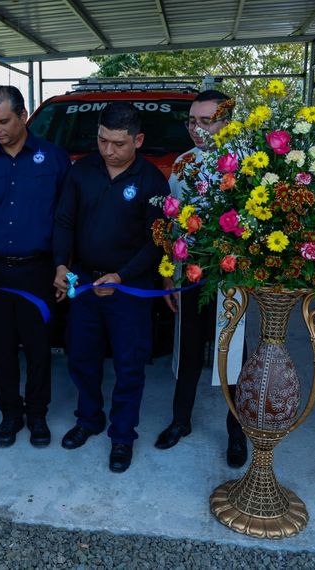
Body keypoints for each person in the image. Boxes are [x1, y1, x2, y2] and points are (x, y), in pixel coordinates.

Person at [53, 101, 167, 473]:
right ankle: (89, 418)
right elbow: (65, 221)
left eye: (118, 144)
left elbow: (157, 242)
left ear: (138, 139)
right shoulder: (81, 171)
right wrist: (61, 264)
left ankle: (122, 435)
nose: (108, 150)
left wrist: (121, 276)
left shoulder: (152, 181)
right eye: (102, 140)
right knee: (81, 356)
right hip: (85, 281)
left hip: (129, 288)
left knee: (129, 364)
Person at [0, 85, 70, 448]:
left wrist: (61, 267)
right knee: (0, 349)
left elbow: (65, 220)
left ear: (23, 116)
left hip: (38, 270)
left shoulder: (54, 158)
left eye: (4, 120)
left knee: (39, 348)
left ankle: (37, 414)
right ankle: (10, 414)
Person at [156, 90, 248, 468]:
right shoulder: (182, 164)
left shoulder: (246, 163)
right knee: (189, 348)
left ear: (227, 121)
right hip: (191, 271)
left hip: (233, 273)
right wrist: (168, 274)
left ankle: (236, 432)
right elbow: (172, 224)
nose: (196, 129)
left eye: (205, 121)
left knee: (232, 354)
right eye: (192, 121)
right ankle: (181, 420)